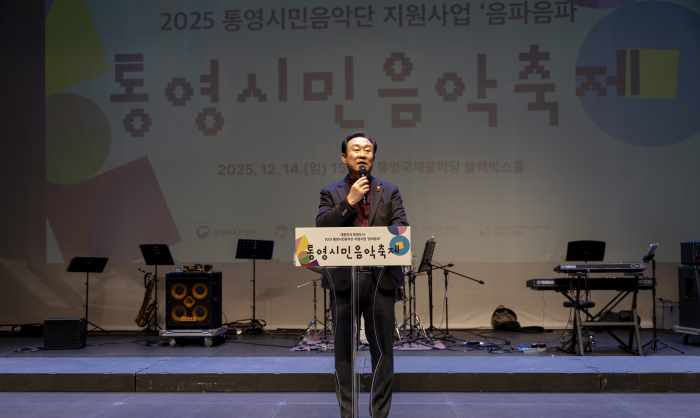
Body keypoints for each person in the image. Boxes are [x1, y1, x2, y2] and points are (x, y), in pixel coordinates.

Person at [316, 132, 409, 418]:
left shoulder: (389, 190)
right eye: (355, 149)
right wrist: (350, 201)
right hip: (344, 281)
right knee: (344, 353)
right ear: (344, 157)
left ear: (373, 157)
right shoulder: (330, 192)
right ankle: (348, 413)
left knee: (383, 352)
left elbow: (401, 229)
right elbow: (322, 227)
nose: (362, 154)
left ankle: (379, 413)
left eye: (367, 150)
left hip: (381, 280)